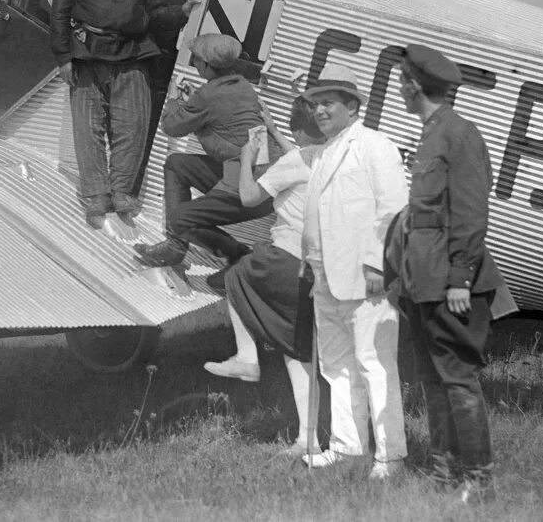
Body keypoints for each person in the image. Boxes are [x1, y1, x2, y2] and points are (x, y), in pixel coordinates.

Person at [390, 44, 517, 503]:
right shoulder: (433, 132)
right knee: (432, 379)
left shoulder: (459, 134)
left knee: (459, 380)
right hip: (424, 278)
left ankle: (479, 480)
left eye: (402, 81)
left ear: (411, 84)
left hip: (450, 281)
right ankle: (444, 472)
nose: (400, 88)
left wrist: (460, 277)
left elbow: (469, 211)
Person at [50, 0, 200, 228]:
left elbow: (157, 11)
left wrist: (180, 13)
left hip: (132, 52)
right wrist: (63, 56)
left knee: (132, 126)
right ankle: (95, 194)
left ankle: (121, 191)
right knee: (87, 127)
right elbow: (59, 11)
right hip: (86, 53)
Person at [300, 63, 409, 481]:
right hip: (326, 278)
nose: (320, 111)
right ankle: (347, 447)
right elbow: (320, 216)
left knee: (375, 364)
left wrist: (378, 264)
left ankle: (390, 456)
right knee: (337, 365)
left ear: (352, 106)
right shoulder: (326, 151)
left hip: (368, 279)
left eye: (328, 103)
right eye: (315, 104)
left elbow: (393, 210)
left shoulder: (373, 145)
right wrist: (312, 266)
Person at [202, 97, 327, 456]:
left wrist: (246, 160)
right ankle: (309, 440)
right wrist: (273, 130)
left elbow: (248, 196)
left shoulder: (293, 160)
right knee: (299, 352)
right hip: (319, 268)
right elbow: (304, 152)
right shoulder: (331, 157)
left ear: (299, 132)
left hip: (287, 256)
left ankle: (247, 357)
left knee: (234, 276)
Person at [133, 34, 279, 272]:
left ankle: (240, 257)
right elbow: (221, 128)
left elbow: (171, 127)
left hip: (244, 188)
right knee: (177, 163)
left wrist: (173, 100)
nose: (195, 63)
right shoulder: (243, 88)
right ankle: (175, 247)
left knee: (180, 219)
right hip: (264, 183)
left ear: (208, 66)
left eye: (197, 60)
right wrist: (193, 105)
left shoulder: (207, 96)